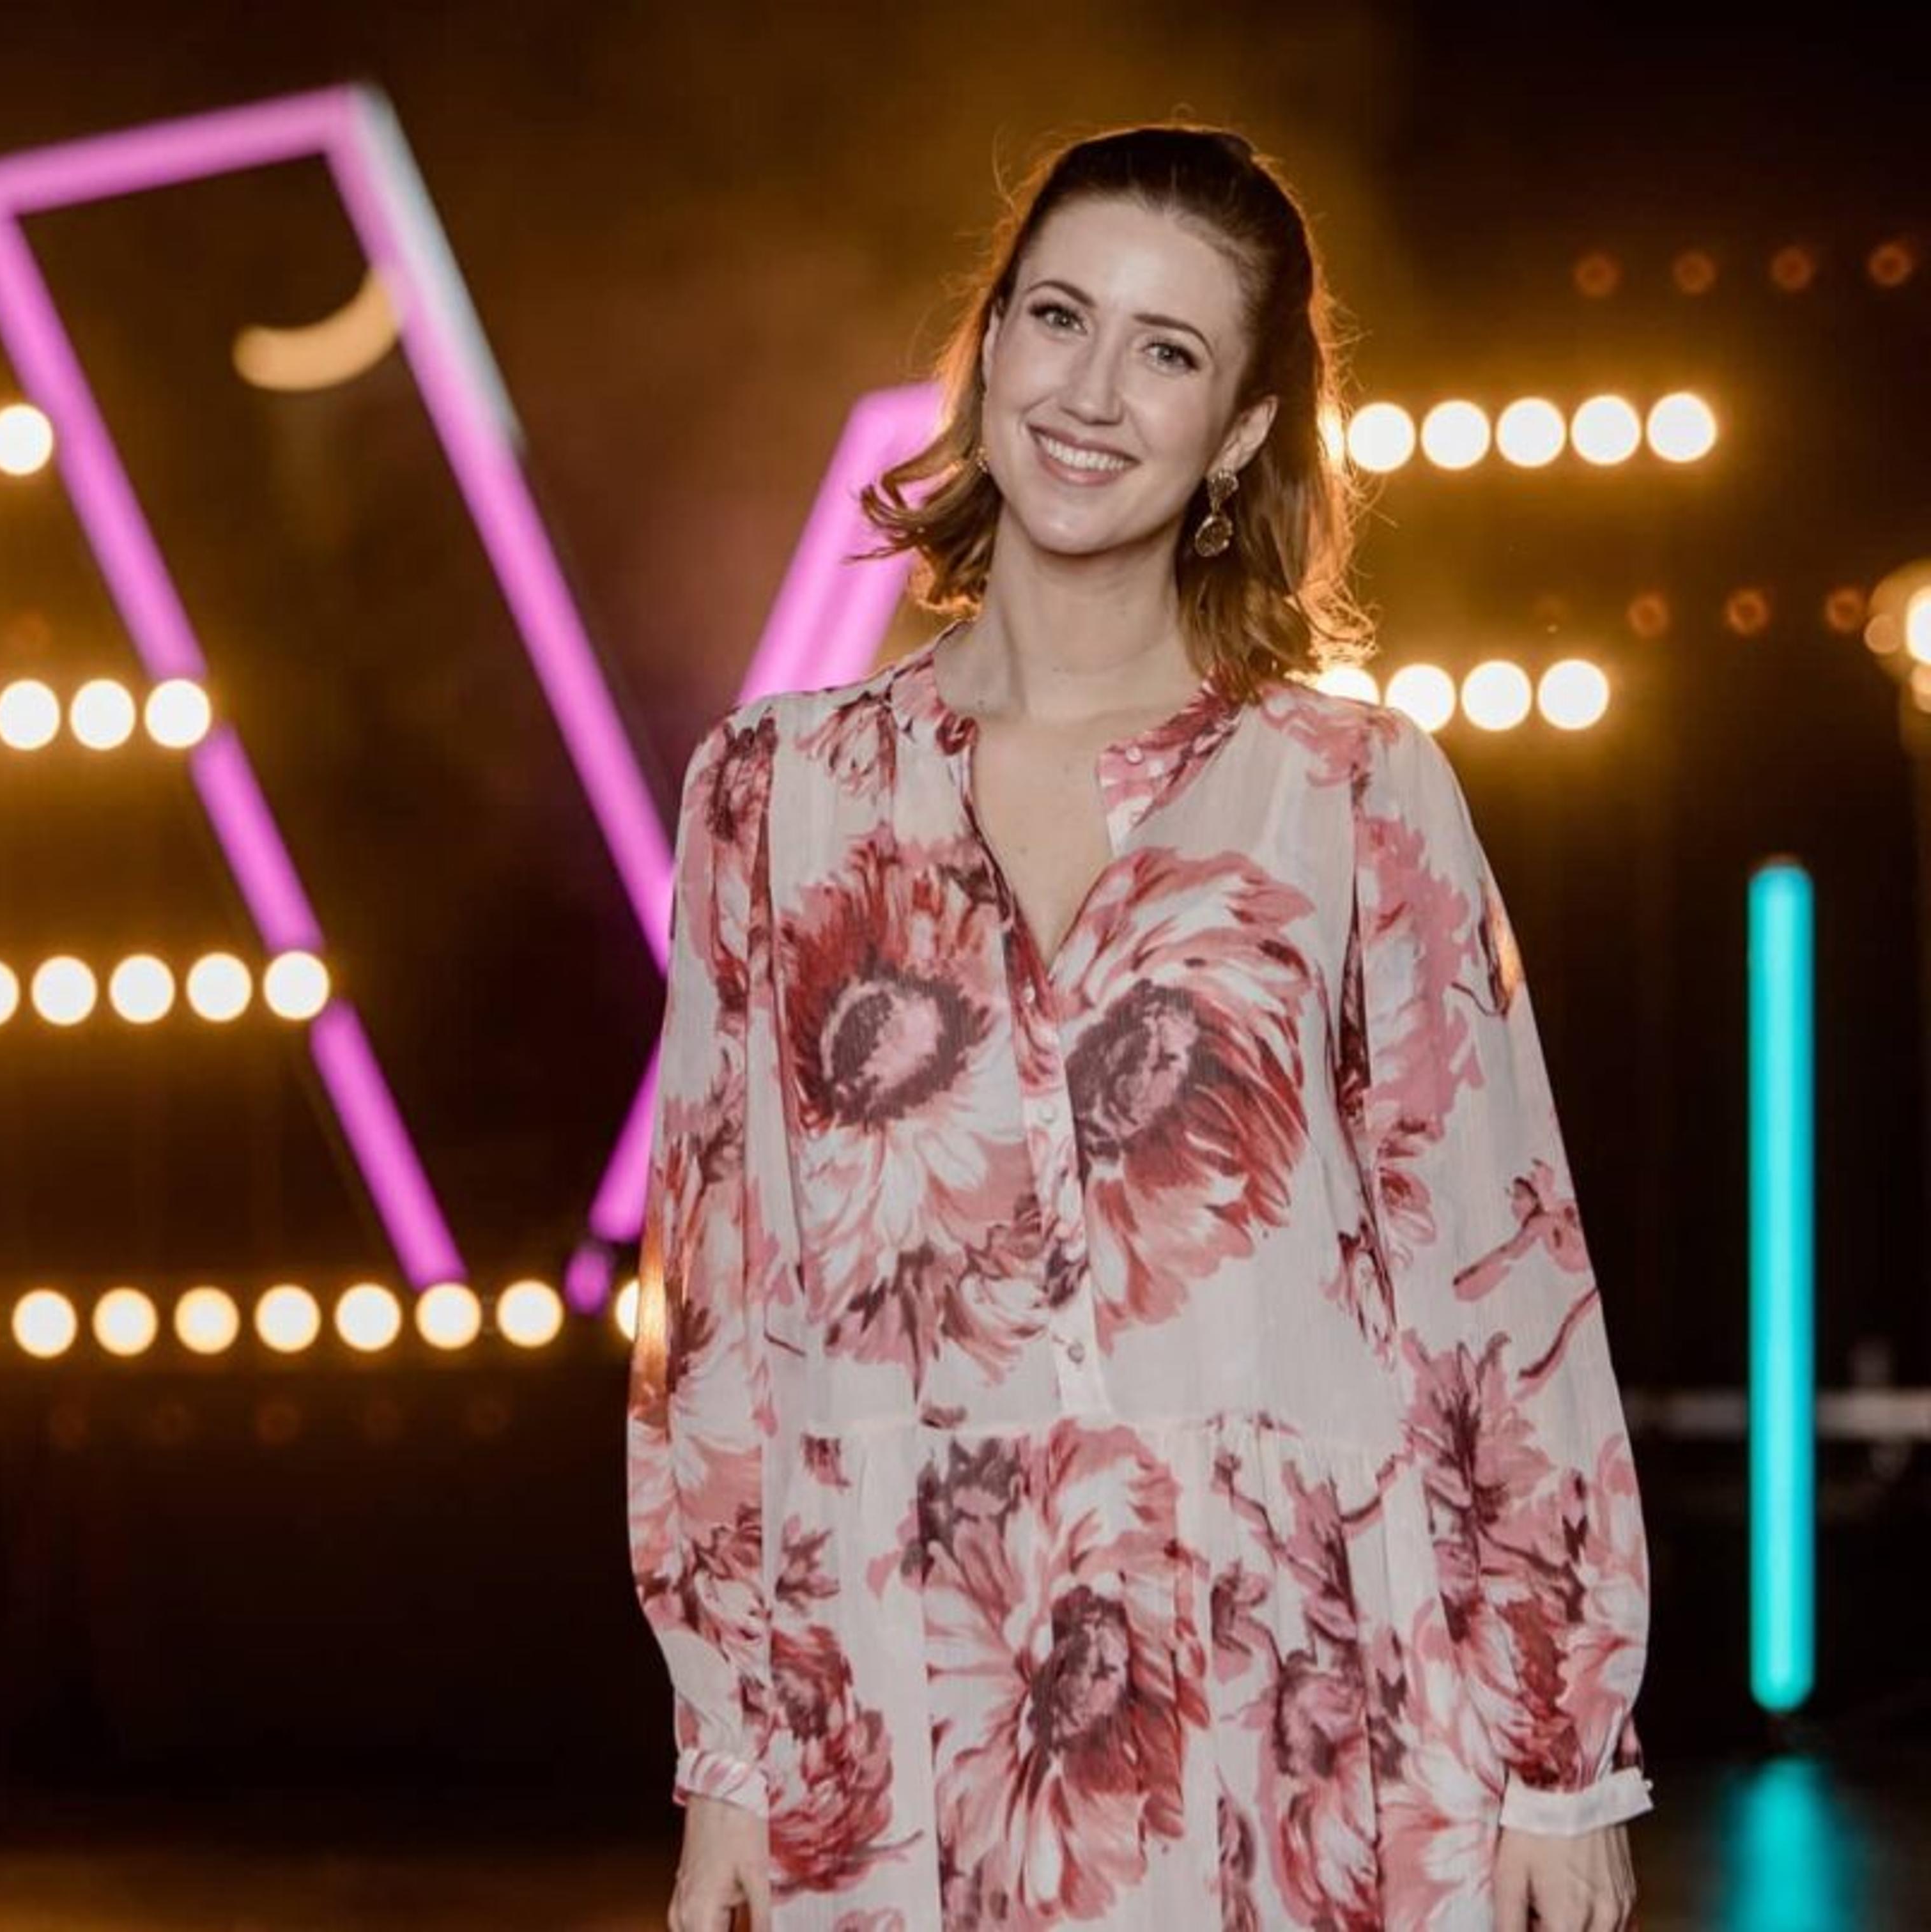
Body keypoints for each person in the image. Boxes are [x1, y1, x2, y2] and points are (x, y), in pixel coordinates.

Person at [626, 122, 1650, 1931]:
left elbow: (1502, 1285)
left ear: (1241, 431)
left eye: (1167, 351)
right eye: (1059, 318)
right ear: (991, 348)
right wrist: (732, 1751)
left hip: (1316, 1708)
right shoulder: (775, 793)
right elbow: (718, 1305)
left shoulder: (1355, 792)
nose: (1092, 394)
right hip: (895, 1712)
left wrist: (1563, 1759)